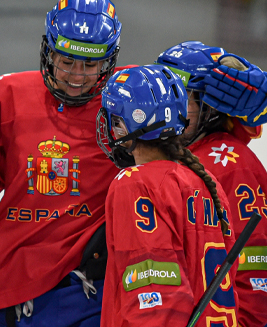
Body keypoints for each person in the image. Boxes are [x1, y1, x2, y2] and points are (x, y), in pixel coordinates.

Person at [0, 0, 267, 327]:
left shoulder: (130, 99)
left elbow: (210, 112)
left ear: (111, 60)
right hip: (4, 279)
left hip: (85, 291)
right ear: (48, 51)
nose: (78, 77)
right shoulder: (9, 94)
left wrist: (261, 92)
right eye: (67, 61)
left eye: (92, 65)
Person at [155, 41, 267, 327]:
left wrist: (242, 321)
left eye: (182, 99)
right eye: (165, 95)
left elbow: (256, 270)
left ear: (209, 106)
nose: (168, 108)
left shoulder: (231, 166)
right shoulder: (174, 152)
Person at [97, 65, 238, 327]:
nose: (111, 128)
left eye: (115, 120)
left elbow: (153, 290)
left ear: (129, 123)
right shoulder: (209, 184)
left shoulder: (135, 184)